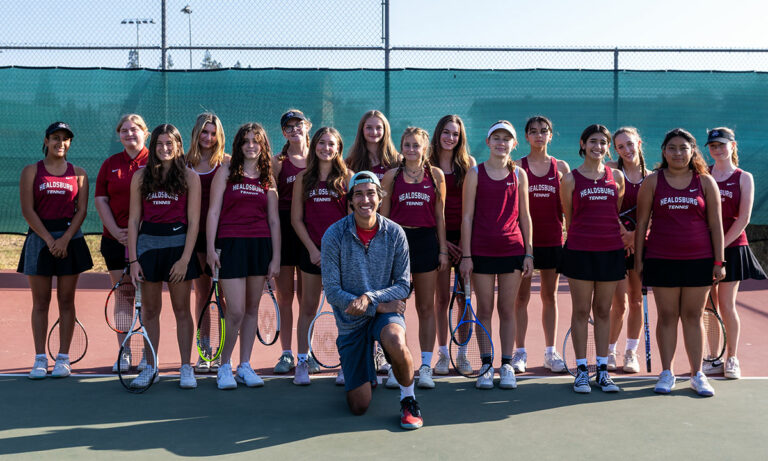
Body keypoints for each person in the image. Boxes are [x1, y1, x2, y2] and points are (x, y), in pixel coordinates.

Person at [321, 170, 423, 430]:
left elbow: (402, 285)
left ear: (380, 197)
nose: (365, 199)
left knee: (395, 339)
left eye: (370, 194)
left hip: (383, 313)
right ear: (351, 200)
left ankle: (408, 400)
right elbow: (332, 291)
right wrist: (376, 305)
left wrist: (369, 298)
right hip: (351, 320)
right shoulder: (333, 235)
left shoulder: (396, 233)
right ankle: (369, 367)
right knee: (359, 406)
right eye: (359, 194)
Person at [635, 128, 725, 397]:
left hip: (699, 260)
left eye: (683, 148)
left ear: (692, 151)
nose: (677, 153)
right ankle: (667, 372)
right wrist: (639, 260)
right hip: (661, 259)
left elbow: (716, 225)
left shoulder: (706, 182)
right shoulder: (652, 182)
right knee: (667, 316)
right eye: (672, 148)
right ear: (664, 151)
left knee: (693, 316)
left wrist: (719, 261)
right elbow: (641, 224)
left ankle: (697, 374)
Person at [459, 120, 534, 390]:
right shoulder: (475, 173)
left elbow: (525, 216)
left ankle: (506, 365)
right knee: (485, 309)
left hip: (512, 251)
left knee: (507, 309)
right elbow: (467, 217)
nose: (501, 143)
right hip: (480, 252)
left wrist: (529, 253)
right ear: (488, 142)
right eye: (496, 138)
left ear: (514, 144)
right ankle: (487, 365)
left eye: (506, 139)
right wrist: (466, 256)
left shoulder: (519, 175)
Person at [206, 123, 281, 389]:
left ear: (262, 146)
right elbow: (213, 212)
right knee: (235, 311)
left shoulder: (267, 178)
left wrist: (276, 258)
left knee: (251, 309)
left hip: (260, 246)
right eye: (245, 141)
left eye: (255, 141)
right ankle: (224, 366)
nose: (251, 145)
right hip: (232, 245)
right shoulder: (226, 172)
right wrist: (210, 248)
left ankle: (244, 365)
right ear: (238, 145)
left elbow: (274, 221)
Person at [127, 124, 202, 389]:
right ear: (153, 146)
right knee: (150, 310)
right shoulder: (139, 176)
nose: (164, 149)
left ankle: (185, 367)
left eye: (169, 144)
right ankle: (151, 366)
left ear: (179, 145)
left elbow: (194, 222)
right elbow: (134, 219)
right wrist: (133, 260)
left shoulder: (190, 177)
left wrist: (184, 259)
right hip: (148, 249)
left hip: (178, 248)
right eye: (159, 144)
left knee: (182, 310)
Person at [20, 122, 93, 379]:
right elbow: (28, 210)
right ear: (46, 140)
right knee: (40, 302)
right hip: (40, 241)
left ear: (70, 143)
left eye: (65, 139)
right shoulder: (31, 171)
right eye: (55, 138)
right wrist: (50, 240)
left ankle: (63, 358)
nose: (60, 143)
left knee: (66, 301)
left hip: (69, 241)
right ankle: (40, 358)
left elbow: (81, 211)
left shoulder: (79, 173)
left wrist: (64, 240)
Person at [559, 124, 625, 394]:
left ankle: (603, 371)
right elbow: (570, 216)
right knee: (581, 311)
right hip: (579, 251)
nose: (598, 147)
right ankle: (582, 372)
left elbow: (614, 212)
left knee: (603, 311)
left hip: (610, 252)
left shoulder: (617, 177)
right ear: (583, 144)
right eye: (593, 142)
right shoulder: (570, 179)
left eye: (603, 142)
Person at [381, 127, 448, 388]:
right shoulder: (391, 177)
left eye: (416, 145)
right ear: (401, 147)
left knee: (425, 307)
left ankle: (425, 367)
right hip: (398, 245)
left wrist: (442, 249)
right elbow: (383, 219)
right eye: (407, 145)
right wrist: (385, 252)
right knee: (395, 308)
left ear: (425, 149)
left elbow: (439, 216)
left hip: (426, 243)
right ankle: (398, 366)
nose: (411, 149)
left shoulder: (435, 175)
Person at [291, 126, 353, 385]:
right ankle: (303, 363)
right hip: (312, 254)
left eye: (332, 144)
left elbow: (353, 220)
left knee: (345, 311)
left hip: (340, 256)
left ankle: (347, 364)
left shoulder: (348, 178)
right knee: (307, 308)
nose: (326, 148)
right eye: (322, 143)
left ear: (338, 148)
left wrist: (336, 251)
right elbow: (296, 219)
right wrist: (313, 250)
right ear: (314, 145)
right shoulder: (303, 179)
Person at [704, 127, 765, 379]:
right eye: (712, 146)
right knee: (709, 306)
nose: (717, 149)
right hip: (703, 250)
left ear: (732, 146)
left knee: (727, 305)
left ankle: (731, 358)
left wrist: (720, 248)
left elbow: (744, 219)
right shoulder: (702, 175)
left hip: (733, 247)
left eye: (721, 144)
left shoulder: (744, 177)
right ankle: (713, 357)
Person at [513, 116, 570, 374]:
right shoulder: (516, 167)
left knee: (550, 296)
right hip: (523, 244)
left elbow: (569, 208)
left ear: (550, 135)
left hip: (552, 241)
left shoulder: (561, 168)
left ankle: (550, 352)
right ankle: (520, 353)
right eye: (533, 132)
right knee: (521, 297)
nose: (539, 135)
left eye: (543, 131)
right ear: (526, 137)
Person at [94, 114, 149, 373]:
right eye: (124, 130)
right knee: (124, 296)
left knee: (148, 299)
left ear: (145, 133)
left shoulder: (157, 161)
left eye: (134, 129)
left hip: (149, 242)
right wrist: (116, 231)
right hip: (115, 242)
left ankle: (149, 354)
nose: (129, 134)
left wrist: (140, 233)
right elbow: (101, 200)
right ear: (119, 135)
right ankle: (125, 351)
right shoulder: (110, 164)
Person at [430, 115, 477, 375]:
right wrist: (443, 243)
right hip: (438, 242)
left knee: (464, 299)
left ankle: (462, 353)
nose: (450, 138)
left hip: (464, 241)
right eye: (446, 132)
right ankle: (442, 355)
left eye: (455, 134)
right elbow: (427, 210)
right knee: (440, 299)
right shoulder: (426, 166)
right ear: (438, 134)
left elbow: (473, 207)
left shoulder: (468, 164)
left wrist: (463, 242)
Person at [185, 113, 228, 373]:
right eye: (204, 132)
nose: (208, 138)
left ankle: (224, 351)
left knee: (224, 297)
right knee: (202, 295)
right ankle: (205, 350)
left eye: (213, 133)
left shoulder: (227, 163)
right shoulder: (182, 163)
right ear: (196, 133)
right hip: (194, 239)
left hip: (223, 239)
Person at [606, 127, 650, 373]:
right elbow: (605, 205)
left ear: (639, 143)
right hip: (615, 245)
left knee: (635, 300)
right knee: (619, 303)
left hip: (641, 246)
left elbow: (653, 213)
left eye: (630, 144)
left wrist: (636, 237)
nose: (627, 150)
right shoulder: (611, 170)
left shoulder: (652, 176)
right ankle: (610, 350)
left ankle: (631, 353)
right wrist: (624, 234)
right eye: (621, 146)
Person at [271, 109, 311, 374]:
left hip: (311, 232)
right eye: (289, 126)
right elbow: (270, 206)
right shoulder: (277, 162)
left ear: (308, 126)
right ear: (284, 132)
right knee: (285, 297)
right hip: (285, 232)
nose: (295, 129)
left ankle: (305, 354)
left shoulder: (320, 158)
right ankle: (286, 354)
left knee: (307, 300)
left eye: (299, 124)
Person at [345, 110, 400, 179]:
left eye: (378, 128)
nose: (374, 132)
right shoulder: (351, 163)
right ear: (362, 130)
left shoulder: (397, 160)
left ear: (385, 130)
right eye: (369, 128)